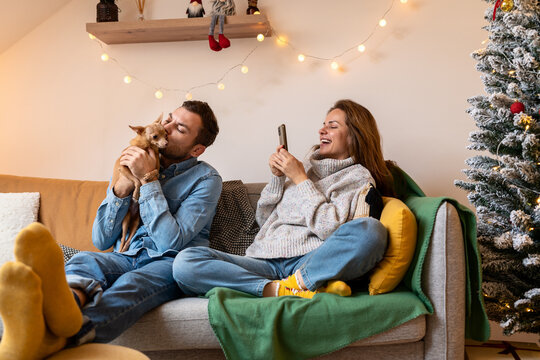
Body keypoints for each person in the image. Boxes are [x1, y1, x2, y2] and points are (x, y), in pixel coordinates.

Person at [0, 100, 222, 359]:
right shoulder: (131, 160)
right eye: (169, 119)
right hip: (125, 255)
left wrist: (149, 180)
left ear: (197, 149)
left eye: (180, 128)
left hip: (169, 263)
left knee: (132, 282)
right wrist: (121, 189)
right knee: (86, 260)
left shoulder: (207, 179)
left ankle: (63, 336)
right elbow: (102, 239)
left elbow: (170, 243)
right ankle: (62, 310)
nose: (167, 127)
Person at [173, 99, 394, 299]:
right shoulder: (304, 167)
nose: (321, 130)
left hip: (309, 261)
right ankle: (280, 289)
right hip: (263, 262)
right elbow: (264, 219)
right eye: (324, 124)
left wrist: (300, 180)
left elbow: (329, 229)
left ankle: (300, 282)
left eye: (332, 126)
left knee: (371, 231)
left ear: (355, 135)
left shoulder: (356, 177)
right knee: (185, 262)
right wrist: (278, 178)